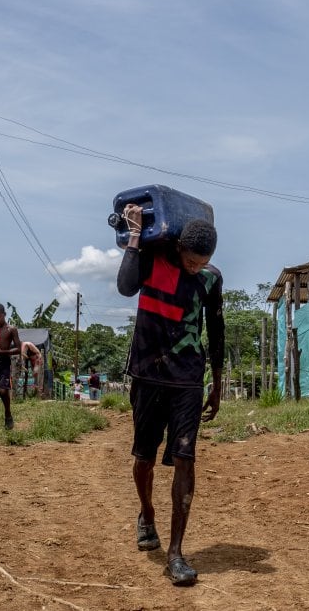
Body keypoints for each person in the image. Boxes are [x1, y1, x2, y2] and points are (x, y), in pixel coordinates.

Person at [117, 202, 224, 586]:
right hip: (148, 374)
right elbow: (125, 286)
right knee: (143, 458)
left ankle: (177, 552)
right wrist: (133, 235)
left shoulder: (211, 280)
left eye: (202, 261)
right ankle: (146, 513)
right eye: (191, 260)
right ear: (179, 247)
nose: (195, 267)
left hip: (188, 380)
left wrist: (217, 381)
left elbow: (217, 328)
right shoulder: (151, 260)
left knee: (185, 459)